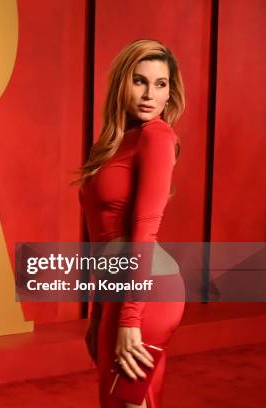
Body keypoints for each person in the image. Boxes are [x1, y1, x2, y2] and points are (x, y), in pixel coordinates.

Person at [72, 39, 186, 408]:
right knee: (131, 402)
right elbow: (95, 236)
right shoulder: (110, 146)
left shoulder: (156, 136)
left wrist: (130, 318)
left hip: (146, 293)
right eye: (140, 81)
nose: (150, 94)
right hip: (116, 291)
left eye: (161, 84)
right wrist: (97, 310)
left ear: (171, 92)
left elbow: (145, 230)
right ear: (122, 83)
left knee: (125, 403)